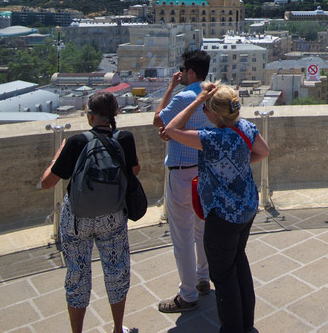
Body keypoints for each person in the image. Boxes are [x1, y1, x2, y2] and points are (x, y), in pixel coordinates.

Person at [163, 82, 270, 333]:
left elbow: (171, 128)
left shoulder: (212, 139)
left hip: (223, 214)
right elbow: (263, 151)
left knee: (223, 277)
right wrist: (239, 164)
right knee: (239, 264)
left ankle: (232, 328)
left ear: (213, 113)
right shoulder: (245, 127)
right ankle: (246, 324)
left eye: (207, 109)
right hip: (246, 207)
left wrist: (198, 99)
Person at [40, 91, 140, 333]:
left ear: (90, 116)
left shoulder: (77, 142)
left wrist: (58, 154)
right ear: (114, 114)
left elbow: (47, 182)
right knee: (116, 270)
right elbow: (134, 171)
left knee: (77, 274)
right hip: (112, 215)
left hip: (77, 216)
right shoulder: (125, 138)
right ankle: (117, 328)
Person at [153, 49, 212, 313]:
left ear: (189, 72)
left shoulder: (184, 97)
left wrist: (170, 87)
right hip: (205, 171)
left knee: (182, 236)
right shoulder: (213, 96)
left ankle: (187, 294)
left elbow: (158, 120)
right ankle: (202, 278)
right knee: (201, 229)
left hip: (181, 171)